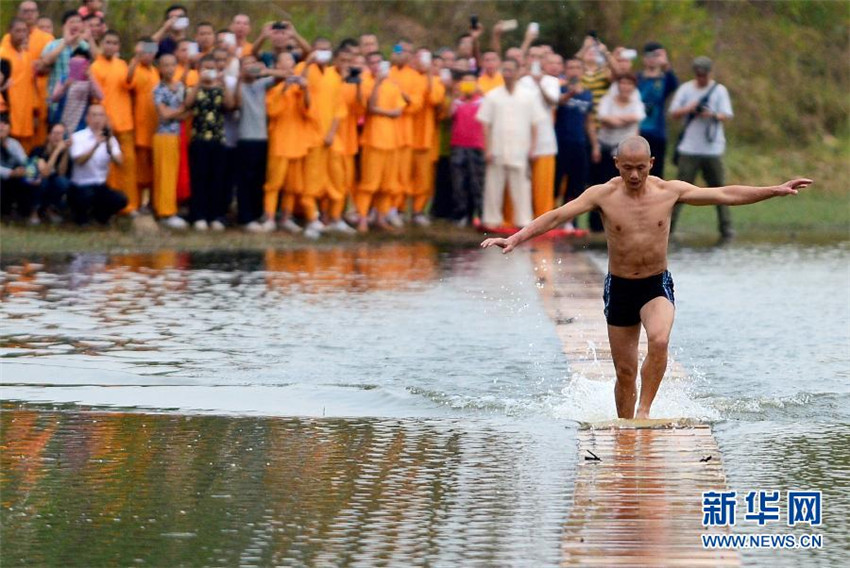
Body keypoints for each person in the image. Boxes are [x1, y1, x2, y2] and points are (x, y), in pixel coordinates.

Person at [481, 135, 812, 419]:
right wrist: (514, 238)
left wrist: (775, 190)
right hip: (620, 287)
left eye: (641, 167)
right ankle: (626, 428)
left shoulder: (669, 191)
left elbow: (725, 194)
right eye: (628, 168)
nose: (635, 174)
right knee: (624, 374)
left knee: (659, 340)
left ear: (652, 163)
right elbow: (556, 215)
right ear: (616, 164)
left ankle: (644, 413)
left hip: (655, 284)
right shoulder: (602, 195)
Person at [669, 56, 735, 240]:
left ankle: (726, 228)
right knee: (679, 192)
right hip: (689, 149)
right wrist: (689, 109)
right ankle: (668, 227)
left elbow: (726, 115)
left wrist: (712, 115)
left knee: (720, 190)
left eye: (704, 75)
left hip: (712, 149)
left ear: (709, 73)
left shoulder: (719, 91)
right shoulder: (686, 89)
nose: (701, 78)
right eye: (698, 75)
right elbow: (674, 113)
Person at [476, 58, 546, 229]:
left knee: (521, 187)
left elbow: (535, 124)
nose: (507, 74)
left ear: (517, 72)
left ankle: (523, 221)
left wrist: (533, 148)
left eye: (510, 70)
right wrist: (487, 149)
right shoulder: (493, 96)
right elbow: (485, 125)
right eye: (504, 70)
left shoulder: (528, 96)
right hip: (497, 149)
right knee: (493, 186)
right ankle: (491, 220)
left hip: (520, 149)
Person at [183, 54, 234, 230]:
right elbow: (187, 104)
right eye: (206, 68)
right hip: (198, 139)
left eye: (212, 68)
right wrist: (199, 82)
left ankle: (216, 216)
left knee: (217, 179)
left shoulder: (220, 89)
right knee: (199, 178)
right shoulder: (193, 88)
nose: (209, 71)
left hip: (218, 139)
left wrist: (223, 82)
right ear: (199, 70)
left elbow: (230, 105)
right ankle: (199, 215)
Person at [90, 29, 138, 214]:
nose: (111, 46)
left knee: (128, 164)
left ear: (118, 47)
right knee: (108, 167)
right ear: (101, 44)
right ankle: (110, 206)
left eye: (114, 43)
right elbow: (96, 98)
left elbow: (128, 84)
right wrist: (103, 121)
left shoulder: (122, 64)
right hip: (105, 124)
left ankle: (131, 205)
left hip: (125, 122)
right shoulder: (95, 67)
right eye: (107, 42)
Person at [1, 1, 55, 148]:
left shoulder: (46, 39)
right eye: (25, 11)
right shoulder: (5, 45)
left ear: (37, 14)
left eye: (32, 11)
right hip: (9, 105)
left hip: (37, 100)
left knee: (34, 146)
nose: (29, 14)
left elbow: (48, 68)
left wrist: (42, 65)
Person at [233, 54, 277, 230]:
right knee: (245, 179)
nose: (250, 67)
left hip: (262, 138)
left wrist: (265, 70)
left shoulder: (261, 84)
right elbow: (235, 104)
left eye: (253, 63)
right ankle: (246, 217)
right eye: (246, 64)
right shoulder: (239, 85)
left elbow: (286, 74)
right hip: (245, 138)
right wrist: (239, 79)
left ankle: (258, 214)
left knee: (259, 179)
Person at [554, 58, 598, 229]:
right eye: (571, 67)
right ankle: (552, 218)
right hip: (560, 143)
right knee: (557, 183)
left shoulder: (587, 94)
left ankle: (571, 221)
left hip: (579, 143)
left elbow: (589, 121)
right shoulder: (559, 89)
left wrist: (595, 145)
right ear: (566, 69)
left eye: (577, 67)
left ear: (582, 71)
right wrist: (570, 93)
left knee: (577, 184)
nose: (574, 70)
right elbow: (559, 102)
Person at [68, 104, 128, 225]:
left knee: (121, 199)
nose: (97, 119)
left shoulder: (110, 139)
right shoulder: (78, 137)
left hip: (100, 186)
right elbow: (79, 161)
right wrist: (96, 144)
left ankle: (101, 216)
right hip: (80, 186)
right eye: (94, 115)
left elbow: (120, 162)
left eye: (101, 115)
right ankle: (80, 217)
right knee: (85, 196)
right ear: (87, 118)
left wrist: (109, 145)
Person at [152, 52, 188, 229]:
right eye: (165, 65)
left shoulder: (180, 86)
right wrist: (180, 110)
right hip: (164, 135)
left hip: (178, 134)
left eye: (172, 64)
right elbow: (164, 115)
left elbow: (189, 112)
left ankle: (169, 208)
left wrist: (179, 112)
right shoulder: (159, 89)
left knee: (174, 174)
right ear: (160, 68)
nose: (169, 69)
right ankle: (166, 212)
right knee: (165, 174)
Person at [128, 37, 161, 212]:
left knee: (152, 167)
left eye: (151, 51)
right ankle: (138, 202)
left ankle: (152, 203)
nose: (147, 55)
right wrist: (135, 59)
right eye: (144, 51)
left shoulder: (155, 71)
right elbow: (128, 82)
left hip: (155, 125)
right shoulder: (136, 69)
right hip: (139, 124)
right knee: (139, 169)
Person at [449, 72, 485, 226]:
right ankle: (461, 214)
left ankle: (479, 214)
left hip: (477, 145)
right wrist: (454, 95)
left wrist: (480, 91)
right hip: (458, 144)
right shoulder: (457, 101)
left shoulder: (483, 100)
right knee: (459, 182)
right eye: (465, 82)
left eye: (471, 82)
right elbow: (448, 115)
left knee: (477, 182)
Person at [637, 42, 678, 178]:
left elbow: (674, 84)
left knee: (656, 172)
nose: (651, 59)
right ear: (643, 58)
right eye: (648, 56)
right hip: (637, 131)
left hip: (658, 132)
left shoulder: (665, 79)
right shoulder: (637, 78)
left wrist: (665, 63)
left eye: (655, 56)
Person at [596, 74, 645, 182]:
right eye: (623, 83)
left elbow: (637, 116)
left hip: (624, 147)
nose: (625, 86)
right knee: (601, 179)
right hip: (604, 143)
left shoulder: (636, 103)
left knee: (619, 179)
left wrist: (613, 119)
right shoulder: (607, 100)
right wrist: (625, 120)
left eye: (629, 84)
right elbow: (602, 117)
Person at [0, 18, 37, 152]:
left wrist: (35, 109)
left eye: (24, 31)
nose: (21, 34)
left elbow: (32, 84)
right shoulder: (3, 53)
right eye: (17, 31)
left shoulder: (27, 55)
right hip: (7, 111)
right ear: (9, 32)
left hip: (25, 111)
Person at [50, 47, 102, 134]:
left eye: (81, 63)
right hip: (61, 123)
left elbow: (100, 96)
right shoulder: (64, 79)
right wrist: (65, 86)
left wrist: (90, 77)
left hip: (80, 125)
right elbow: (54, 98)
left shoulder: (89, 81)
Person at [31, 122, 73, 223]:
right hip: (37, 183)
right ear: (48, 135)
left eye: (60, 134)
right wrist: (57, 151)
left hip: (53, 186)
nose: (57, 137)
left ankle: (50, 209)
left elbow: (62, 173)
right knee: (43, 181)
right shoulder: (39, 150)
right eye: (54, 133)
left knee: (63, 182)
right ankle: (34, 211)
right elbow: (45, 172)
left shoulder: (65, 153)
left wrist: (65, 152)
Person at [0, 112, 35, 220]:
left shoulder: (13, 144)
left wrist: (25, 170)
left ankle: (23, 212)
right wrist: (11, 173)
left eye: (5, 124)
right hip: (4, 177)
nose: (2, 126)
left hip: (13, 178)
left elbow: (24, 160)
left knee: (27, 180)